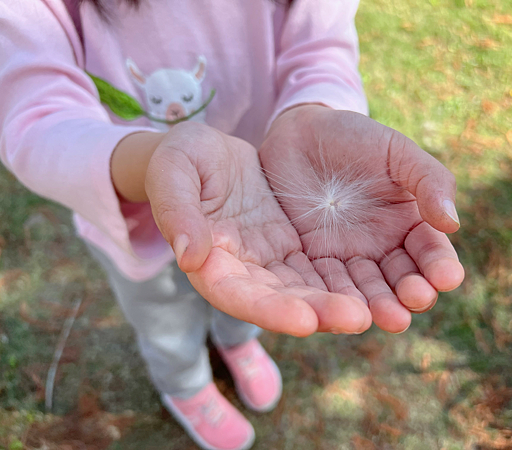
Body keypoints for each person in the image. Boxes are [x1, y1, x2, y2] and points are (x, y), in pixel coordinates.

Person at [0, 0, 465, 449]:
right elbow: (36, 117)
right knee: (166, 324)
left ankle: (238, 343)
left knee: (247, 297)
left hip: (263, 230)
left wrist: (314, 111)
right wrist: (155, 162)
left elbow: (321, 48)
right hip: (134, 232)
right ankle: (185, 385)